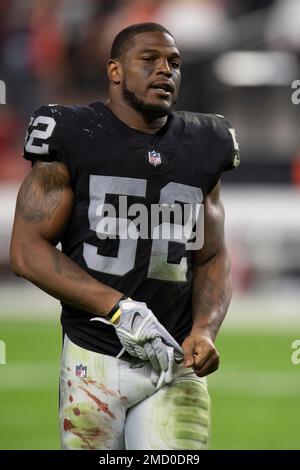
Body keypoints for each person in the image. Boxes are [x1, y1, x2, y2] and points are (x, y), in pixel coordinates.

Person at [10, 22, 240, 450]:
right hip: (94, 357)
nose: (164, 71)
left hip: (174, 360)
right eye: (149, 59)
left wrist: (206, 329)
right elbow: (26, 251)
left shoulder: (205, 143)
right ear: (114, 71)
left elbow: (213, 255)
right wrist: (118, 308)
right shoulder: (72, 132)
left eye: (174, 63)